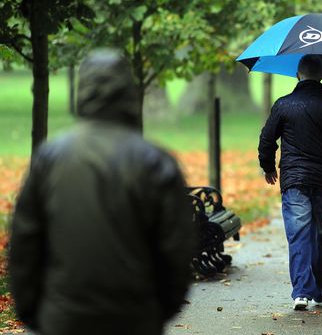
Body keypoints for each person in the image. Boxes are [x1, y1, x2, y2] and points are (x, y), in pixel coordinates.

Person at [9, 49, 194, 335]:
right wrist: (157, 309)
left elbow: (25, 244)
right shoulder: (154, 161)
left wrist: (36, 312)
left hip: (63, 316)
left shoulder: (50, 158)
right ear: (128, 91)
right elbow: (176, 250)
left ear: (82, 90)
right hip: (134, 317)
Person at [258, 55, 322, 311]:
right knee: (320, 233)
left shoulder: (284, 105)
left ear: (298, 74)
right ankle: (320, 290)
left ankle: (301, 292)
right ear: (321, 76)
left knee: (299, 233)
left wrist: (268, 167)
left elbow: (267, 140)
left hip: (294, 180)